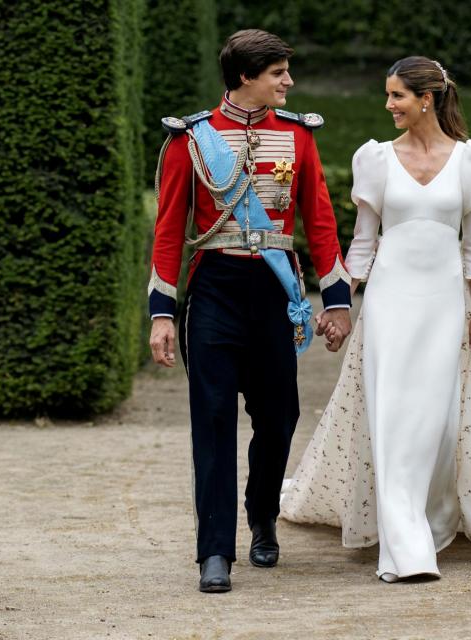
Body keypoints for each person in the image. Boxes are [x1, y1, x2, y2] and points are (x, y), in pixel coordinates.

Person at [281, 57, 471, 582]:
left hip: (443, 305)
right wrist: (340, 302)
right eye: (387, 95)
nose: (388, 105)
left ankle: (434, 514)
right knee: (392, 416)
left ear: (426, 98)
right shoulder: (375, 159)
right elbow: (361, 244)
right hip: (389, 303)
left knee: (437, 418)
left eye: (397, 96)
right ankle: (406, 547)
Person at [148, 29, 352, 593]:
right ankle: (214, 552)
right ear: (246, 77)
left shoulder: (297, 137)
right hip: (214, 289)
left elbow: (320, 218)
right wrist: (162, 313)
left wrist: (335, 301)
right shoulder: (191, 139)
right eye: (278, 73)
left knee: (280, 416)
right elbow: (169, 231)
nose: (289, 81)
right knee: (211, 423)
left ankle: (262, 515)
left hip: (273, 292)